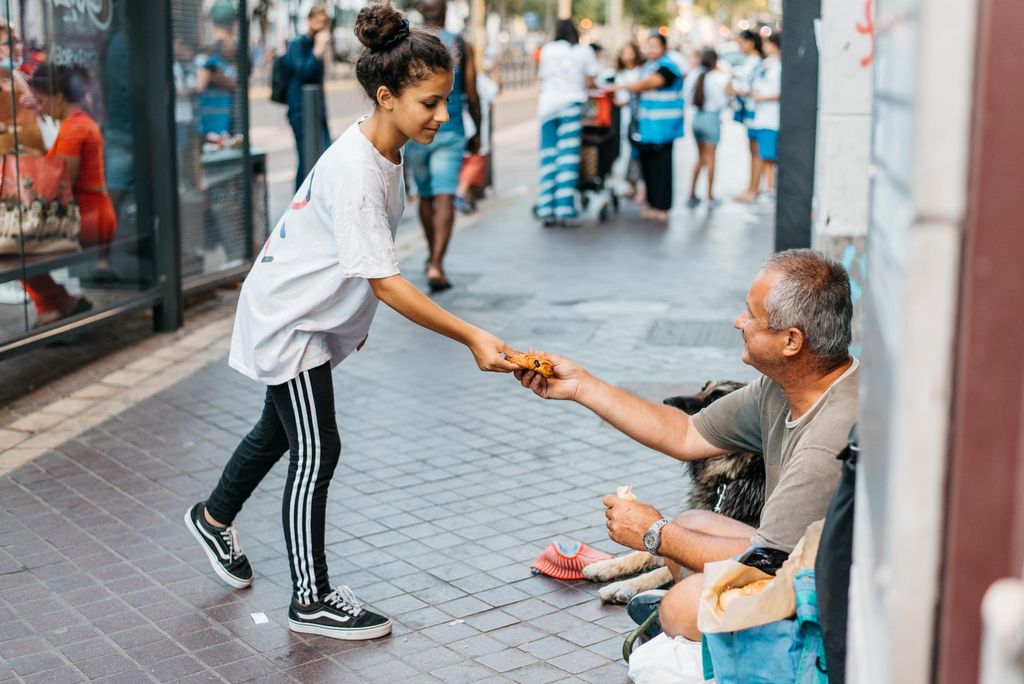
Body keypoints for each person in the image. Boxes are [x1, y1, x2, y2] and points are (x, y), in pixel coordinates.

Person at [183, 2, 518, 641]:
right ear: (387, 97)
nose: (443, 115)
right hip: (290, 321)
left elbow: (354, 262)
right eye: (430, 103)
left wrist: (350, 322)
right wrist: (472, 335)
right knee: (317, 447)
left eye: (447, 100)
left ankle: (213, 517)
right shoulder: (359, 171)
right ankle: (309, 598)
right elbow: (384, 280)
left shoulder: (382, 149)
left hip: (301, 312)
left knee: (278, 432)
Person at [513, 248, 858, 642]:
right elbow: (685, 433)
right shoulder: (785, 387)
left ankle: (721, 636)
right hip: (797, 558)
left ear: (791, 341)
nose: (738, 322)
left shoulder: (828, 441)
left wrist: (654, 533)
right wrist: (581, 386)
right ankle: (706, 630)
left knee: (681, 605)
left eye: (751, 315)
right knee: (692, 525)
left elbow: (769, 562)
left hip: (841, 595)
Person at [22, 65, 117, 326]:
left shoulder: (74, 129)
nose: (40, 108)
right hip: (90, 215)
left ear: (59, 97)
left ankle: (52, 305)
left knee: (10, 247)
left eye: (41, 101)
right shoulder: (78, 123)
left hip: (86, 219)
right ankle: (59, 303)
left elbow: (58, 184)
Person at [404, 0, 480, 292]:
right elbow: (472, 91)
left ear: (422, 12)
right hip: (451, 128)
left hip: (416, 130)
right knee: (445, 195)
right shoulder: (459, 44)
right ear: (446, 12)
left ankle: (431, 254)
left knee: (425, 196)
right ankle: (436, 263)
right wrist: (478, 130)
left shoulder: (410, 44)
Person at [534, 19, 597, 227]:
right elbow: (591, 81)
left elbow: (542, 78)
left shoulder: (547, 50)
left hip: (547, 106)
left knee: (548, 156)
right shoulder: (583, 52)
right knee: (567, 158)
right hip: (571, 105)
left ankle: (545, 207)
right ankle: (564, 209)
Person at [620, 32, 685, 222]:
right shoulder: (649, 66)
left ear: (664, 47)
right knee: (649, 168)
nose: (650, 49)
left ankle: (661, 207)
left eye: (655, 45)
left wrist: (623, 86)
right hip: (647, 128)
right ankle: (652, 205)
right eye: (648, 45)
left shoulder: (668, 67)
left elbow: (649, 83)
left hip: (663, 128)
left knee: (661, 169)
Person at [285, 4, 332, 190]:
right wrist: (318, 49)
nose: (321, 26)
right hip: (300, 110)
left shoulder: (314, 44)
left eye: (324, 23)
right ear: (309, 20)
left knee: (325, 153)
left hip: (317, 110)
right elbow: (304, 72)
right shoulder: (298, 44)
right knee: (306, 158)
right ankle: (299, 197)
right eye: (318, 21)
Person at [684, 48, 728, 207]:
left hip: (697, 119)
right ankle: (709, 197)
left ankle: (692, 193)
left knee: (700, 158)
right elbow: (724, 101)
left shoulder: (693, 75)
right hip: (711, 119)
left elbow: (686, 97)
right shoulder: (718, 78)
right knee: (710, 159)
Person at [728, 29, 764, 203]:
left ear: (751, 43)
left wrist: (735, 89)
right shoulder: (750, 61)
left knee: (756, 151)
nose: (739, 47)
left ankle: (753, 189)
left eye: (741, 43)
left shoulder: (757, 62)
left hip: (756, 112)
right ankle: (752, 188)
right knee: (752, 150)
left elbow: (750, 87)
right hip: (750, 112)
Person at [0, 18, 44, 155]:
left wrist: (39, 107)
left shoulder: (22, 79)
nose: (18, 48)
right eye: (9, 43)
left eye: (18, 42)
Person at [196, 0, 239, 139]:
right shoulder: (208, 52)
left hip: (224, 122)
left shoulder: (206, 52)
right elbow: (201, 84)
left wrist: (215, 77)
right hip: (215, 125)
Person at [749, 33, 781, 200]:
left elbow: (779, 92)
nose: (764, 46)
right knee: (765, 155)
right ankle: (768, 188)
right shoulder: (767, 64)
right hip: (763, 117)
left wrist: (762, 97)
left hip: (771, 118)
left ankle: (770, 189)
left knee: (770, 157)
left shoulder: (779, 66)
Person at [613, 42, 644, 199]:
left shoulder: (641, 72)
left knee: (635, 150)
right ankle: (629, 183)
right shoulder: (619, 73)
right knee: (625, 150)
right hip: (623, 117)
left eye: (629, 52)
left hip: (636, 117)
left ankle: (637, 184)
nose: (626, 56)